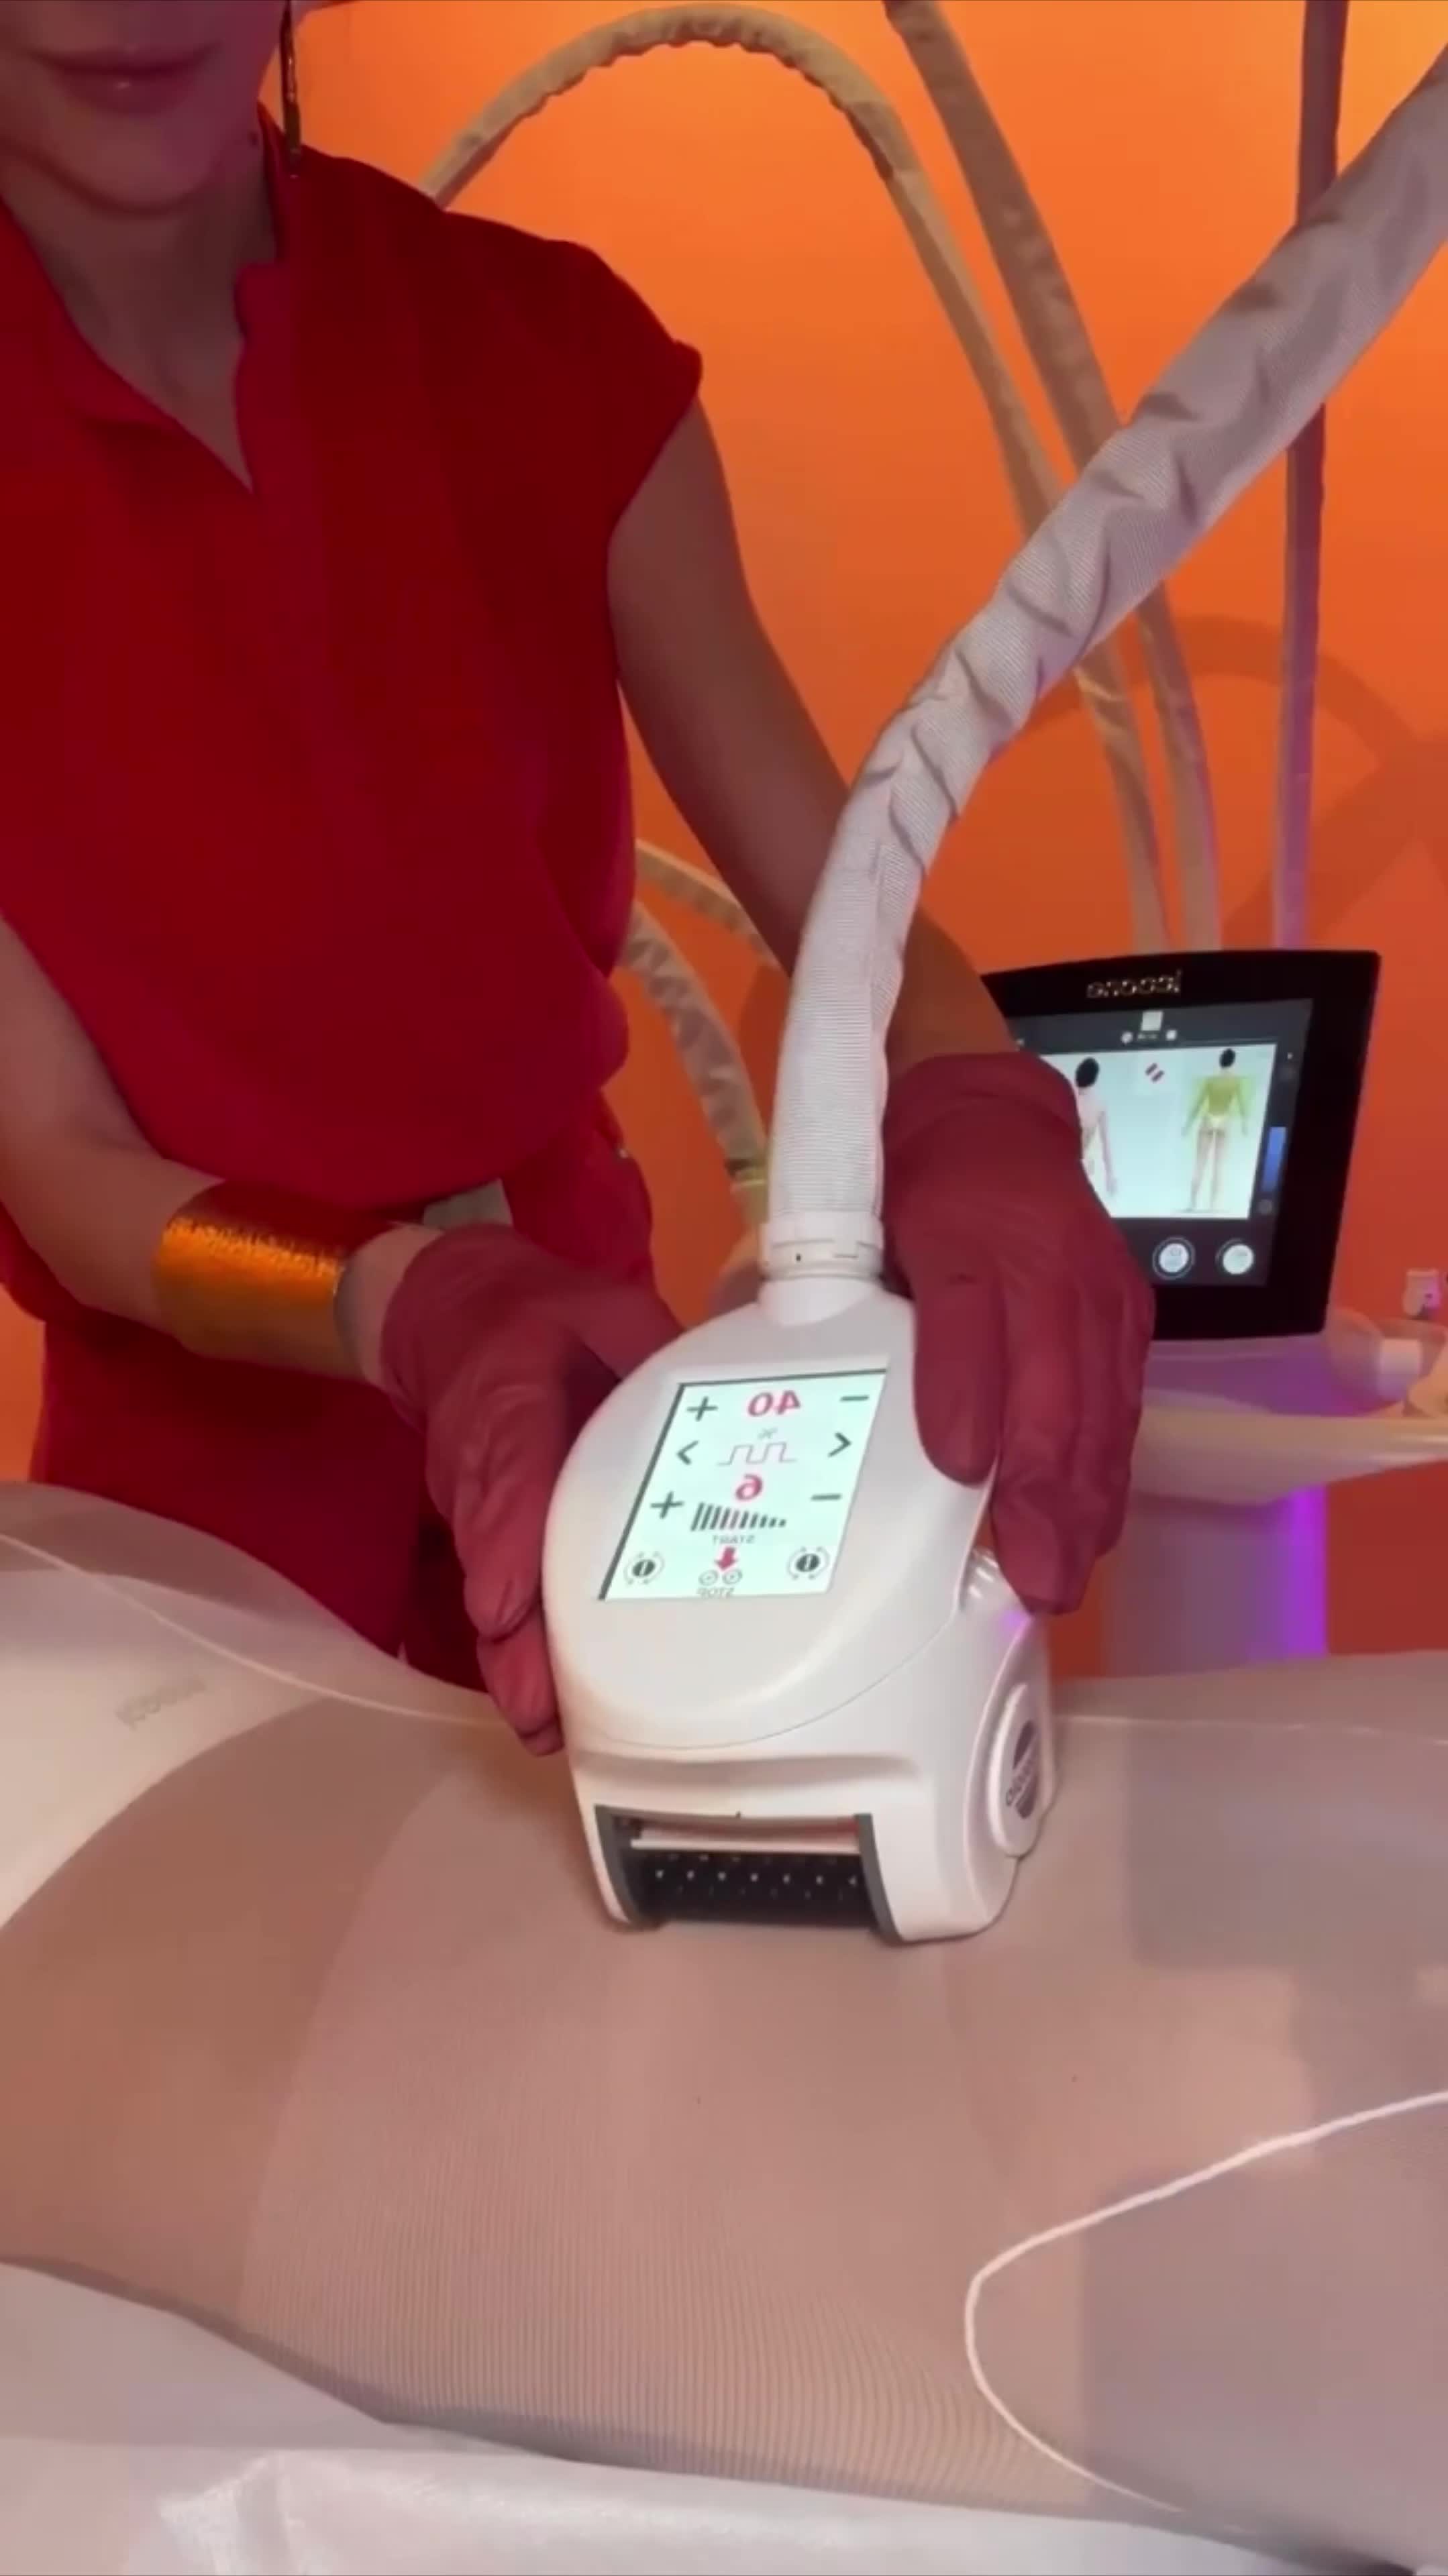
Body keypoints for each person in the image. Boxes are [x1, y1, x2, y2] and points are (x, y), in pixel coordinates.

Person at [0, 0, 1153, 1751]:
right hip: (192, 1561)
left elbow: (855, 910)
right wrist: (414, 1302)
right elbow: (59, 1163)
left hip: (605, 1424)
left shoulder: (544, 352)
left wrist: (975, 1104)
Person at [1182, 1048, 1251, 1216]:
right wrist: (1245, 1124)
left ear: (1220, 1061)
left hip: (1209, 1119)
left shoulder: (1211, 1081)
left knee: (1200, 1163)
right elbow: (1242, 1104)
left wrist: (1188, 1125)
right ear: (1233, 1062)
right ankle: (1213, 1206)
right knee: (1219, 1165)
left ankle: (1192, 1203)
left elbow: (1198, 1103)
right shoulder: (1235, 1081)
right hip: (1224, 1121)